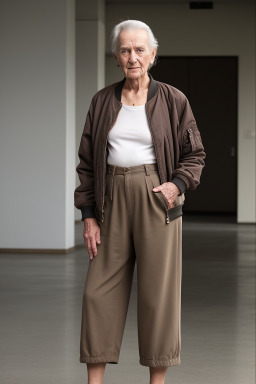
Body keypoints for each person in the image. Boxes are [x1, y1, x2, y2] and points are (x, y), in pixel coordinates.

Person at [74, 19, 206, 384]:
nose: (133, 56)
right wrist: (88, 215)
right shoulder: (101, 101)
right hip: (110, 197)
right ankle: (94, 381)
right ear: (116, 57)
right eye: (125, 50)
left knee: (158, 295)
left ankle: (157, 382)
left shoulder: (174, 99)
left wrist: (176, 185)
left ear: (153, 54)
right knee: (97, 292)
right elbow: (87, 163)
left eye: (140, 49)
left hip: (157, 199)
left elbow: (195, 155)